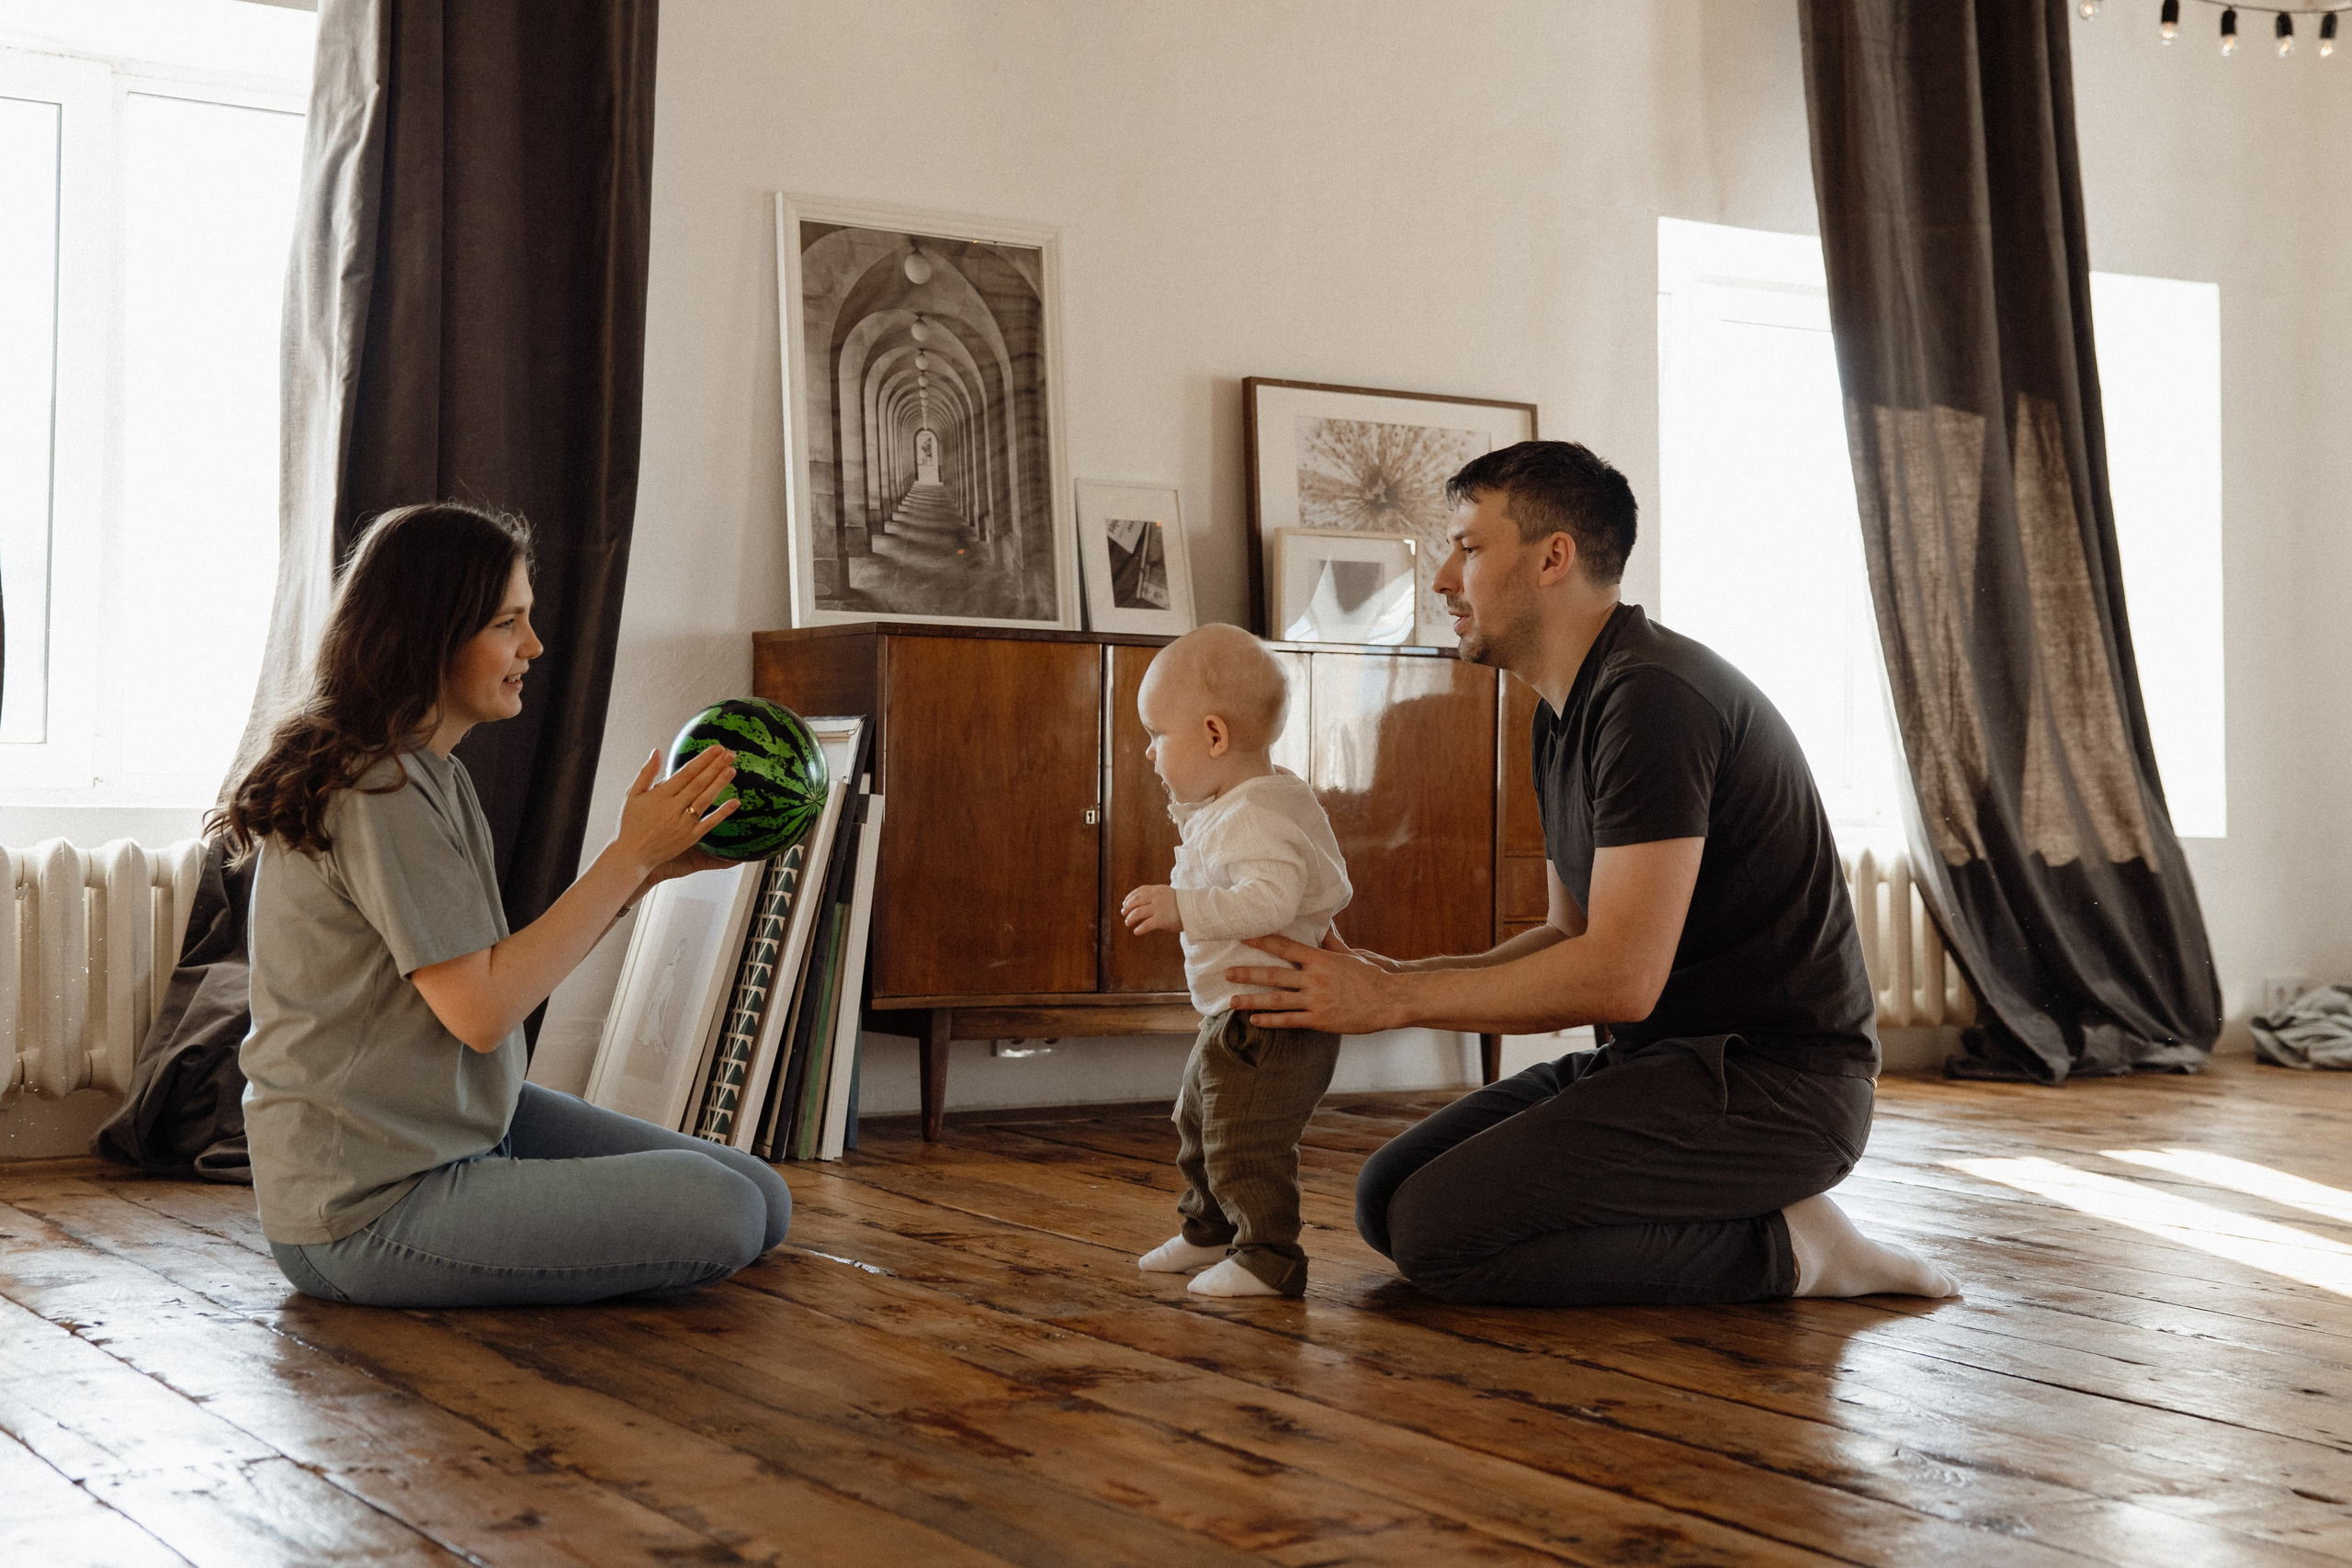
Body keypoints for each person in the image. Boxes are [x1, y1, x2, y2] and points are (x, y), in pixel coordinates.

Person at [1226, 442, 1958, 1308]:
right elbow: (1570, 934)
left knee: (1438, 1237)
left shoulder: (1655, 698)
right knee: (1386, 1198)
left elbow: (1620, 975)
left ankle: (1794, 1252)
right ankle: (1766, 1225)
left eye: (1467, 546)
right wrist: (1401, 977)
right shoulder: (1566, 712)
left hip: (1777, 1092)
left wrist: (1392, 1003)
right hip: (1670, 1067)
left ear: (1553, 557)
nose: (1443, 582)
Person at [215, 502, 792, 1309]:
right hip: (367, 1206)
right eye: (507, 622)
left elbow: (491, 970)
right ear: (433, 633)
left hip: (458, 1123)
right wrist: (626, 856)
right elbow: (484, 1011)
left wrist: (646, 873)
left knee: (762, 1196)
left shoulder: (431, 772)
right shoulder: (377, 788)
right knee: (727, 1209)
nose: (534, 646)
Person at [1119, 626, 1352, 1299]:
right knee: (1198, 1122)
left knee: (1246, 1141)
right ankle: (1208, 1231)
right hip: (1237, 1013)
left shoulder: (1254, 813)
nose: (1149, 751)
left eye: (1159, 736)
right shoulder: (1253, 798)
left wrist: (1182, 905)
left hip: (1273, 1019)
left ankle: (1267, 1256)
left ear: (1214, 737)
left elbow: (1268, 901)